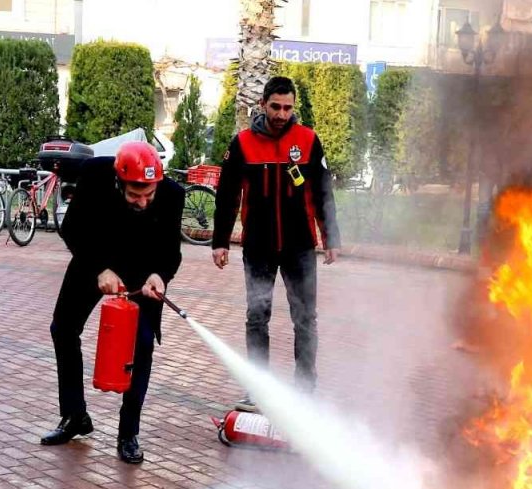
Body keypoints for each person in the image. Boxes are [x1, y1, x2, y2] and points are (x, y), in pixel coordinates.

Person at [39, 141, 184, 465]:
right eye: (135, 194)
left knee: (142, 345)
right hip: (94, 260)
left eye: (149, 194)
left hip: (143, 272)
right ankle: (75, 416)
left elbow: (171, 252)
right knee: (62, 329)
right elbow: (72, 229)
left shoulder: (173, 194)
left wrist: (160, 275)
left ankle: (128, 432)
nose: (143, 202)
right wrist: (99, 269)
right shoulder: (94, 174)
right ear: (119, 181)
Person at [212, 76, 340, 407]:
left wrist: (331, 238)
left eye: (287, 108)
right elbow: (227, 196)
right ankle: (258, 388)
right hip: (259, 246)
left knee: (305, 318)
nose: (282, 114)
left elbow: (323, 192)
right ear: (263, 105)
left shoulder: (309, 141)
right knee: (257, 316)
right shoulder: (241, 143)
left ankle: (305, 388)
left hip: (299, 247)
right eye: (276, 107)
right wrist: (220, 241)